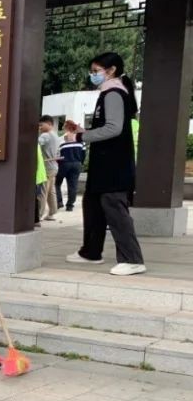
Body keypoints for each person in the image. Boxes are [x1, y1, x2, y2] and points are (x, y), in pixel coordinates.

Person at [64, 52, 146, 276]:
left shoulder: (114, 93)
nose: (93, 75)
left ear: (111, 71)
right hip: (103, 164)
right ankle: (91, 252)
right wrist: (82, 131)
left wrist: (80, 138)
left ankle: (132, 259)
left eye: (96, 71)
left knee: (115, 210)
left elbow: (113, 128)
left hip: (115, 165)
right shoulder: (107, 93)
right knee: (92, 206)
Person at [56, 132, 86, 211]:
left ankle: (59, 202)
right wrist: (80, 163)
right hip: (77, 164)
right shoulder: (81, 144)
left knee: (57, 183)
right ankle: (70, 205)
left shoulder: (62, 145)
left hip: (64, 164)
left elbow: (58, 157)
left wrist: (59, 165)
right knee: (73, 185)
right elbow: (84, 155)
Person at [38, 116, 60, 221]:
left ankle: (38, 215)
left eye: (41, 125)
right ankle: (52, 212)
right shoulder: (55, 135)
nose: (40, 127)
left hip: (46, 168)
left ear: (49, 124)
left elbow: (36, 144)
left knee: (43, 192)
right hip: (54, 167)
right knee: (51, 191)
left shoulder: (45, 135)